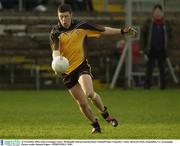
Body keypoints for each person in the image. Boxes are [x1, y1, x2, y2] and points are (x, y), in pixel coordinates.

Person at [49, 4, 137, 133]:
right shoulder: (55, 32)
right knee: (82, 104)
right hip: (66, 72)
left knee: (89, 93)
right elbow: (55, 51)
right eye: (61, 17)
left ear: (71, 15)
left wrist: (122, 31)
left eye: (66, 16)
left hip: (80, 66)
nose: (64, 20)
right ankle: (95, 125)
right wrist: (56, 64)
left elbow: (103, 30)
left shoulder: (82, 26)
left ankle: (105, 114)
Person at [141, 4, 171, 90]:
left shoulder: (166, 24)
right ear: (153, 13)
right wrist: (143, 49)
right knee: (149, 69)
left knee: (163, 69)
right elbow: (143, 36)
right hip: (151, 50)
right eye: (156, 11)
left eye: (159, 11)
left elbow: (170, 36)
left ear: (162, 13)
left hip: (162, 50)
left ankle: (163, 86)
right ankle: (147, 86)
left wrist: (168, 48)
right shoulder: (148, 23)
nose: (157, 13)